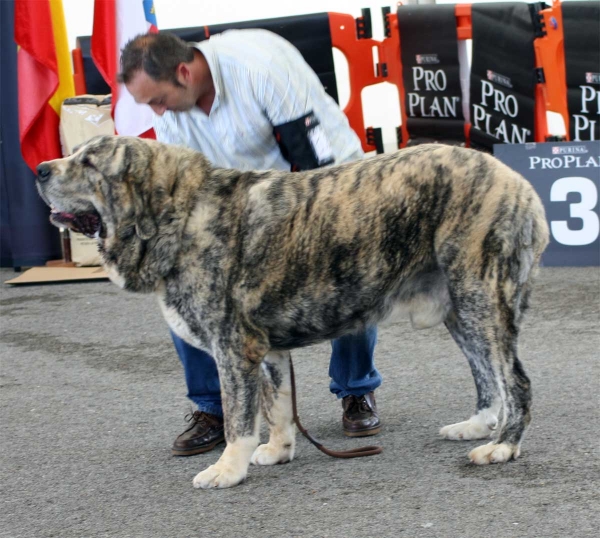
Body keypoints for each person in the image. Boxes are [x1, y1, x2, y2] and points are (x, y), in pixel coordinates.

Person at [118, 29, 383, 456]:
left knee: (346, 277)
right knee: (187, 288)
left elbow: (314, 163)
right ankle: (212, 409)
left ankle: (356, 389)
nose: (156, 111)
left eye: (158, 100)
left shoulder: (261, 69)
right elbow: (185, 186)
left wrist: (306, 244)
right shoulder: (171, 108)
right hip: (237, 201)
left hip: (323, 179)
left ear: (184, 72)